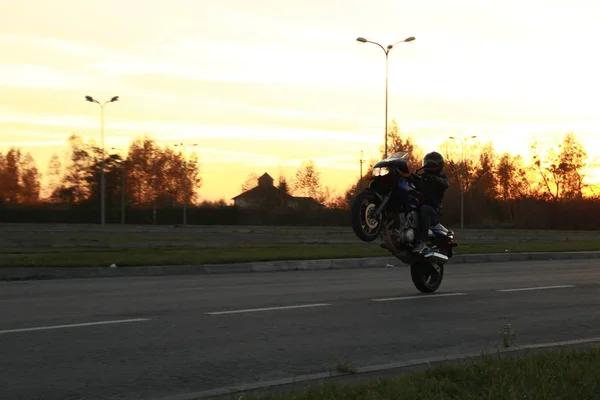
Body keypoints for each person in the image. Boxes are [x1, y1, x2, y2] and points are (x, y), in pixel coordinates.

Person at [411, 151, 449, 254]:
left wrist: (433, 178)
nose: (428, 165)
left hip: (433, 213)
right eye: (427, 162)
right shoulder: (421, 177)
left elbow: (445, 184)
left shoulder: (442, 178)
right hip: (419, 208)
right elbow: (412, 181)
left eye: (431, 163)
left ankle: (422, 242)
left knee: (425, 208)